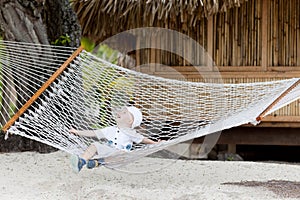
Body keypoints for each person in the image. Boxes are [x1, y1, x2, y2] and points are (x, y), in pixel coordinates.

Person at [70, 106, 161, 172]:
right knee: (94, 146)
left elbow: (143, 139)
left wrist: (155, 143)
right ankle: (81, 161)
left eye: (125, 112)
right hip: (108, 150)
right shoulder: (110, 130)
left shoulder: (131, 133)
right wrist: (77, 132)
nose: (120, 112)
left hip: (120, 156)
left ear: (130, 121)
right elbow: (93, 133)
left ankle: (97, 162)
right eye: (121, 111)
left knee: (121, 154)